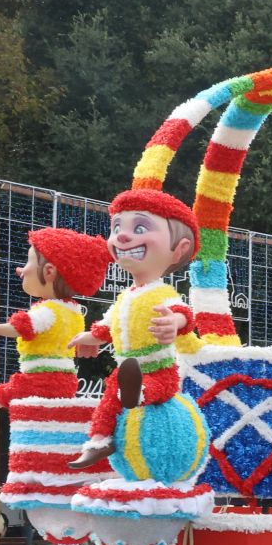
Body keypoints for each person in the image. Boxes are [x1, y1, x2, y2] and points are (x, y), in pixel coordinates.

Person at [67, 189, 204, 469]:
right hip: (126, 370)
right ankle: (99, 441)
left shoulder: (161, 292)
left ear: (178, 249)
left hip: (159, 370)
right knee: (107, 402)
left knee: (147, 390)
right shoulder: (125, 297)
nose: (122, 236)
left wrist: (174, 323)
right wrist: (90, 337)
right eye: (117, 227)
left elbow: (184, 314)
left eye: (139, 227)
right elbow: (109, 326)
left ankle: (136, 394)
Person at [0, 226, 112, 418]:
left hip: (41, 376)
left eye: (28, 262)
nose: (21, 270)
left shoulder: (47, 311)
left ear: (49, 272)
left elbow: (22, 326)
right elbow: (65, 339)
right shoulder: (74, 311)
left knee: (15, 388)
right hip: (66, 379)